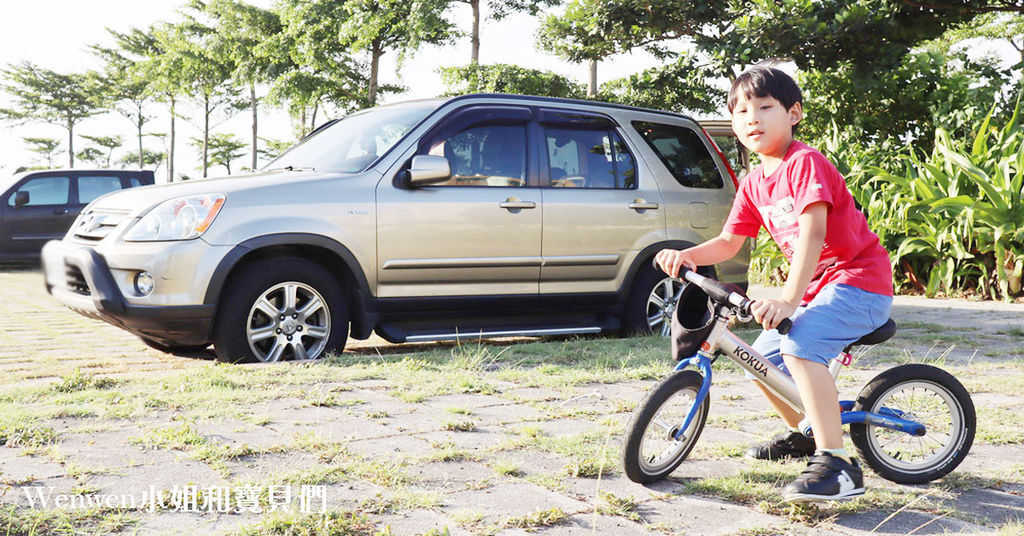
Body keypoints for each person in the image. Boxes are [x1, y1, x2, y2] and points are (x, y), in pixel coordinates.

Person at [655, 65, 893, 502]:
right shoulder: (753, 183)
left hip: (860, 282)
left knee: (799, 345)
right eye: (741, 111)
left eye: (765, 107)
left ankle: (839, 464)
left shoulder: (805, 163)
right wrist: (686, 254)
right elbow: (729, 242)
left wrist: (787, 299)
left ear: (794, 113)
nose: (752, 119)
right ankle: (804, 433)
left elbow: (812, 234)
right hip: (821, 287)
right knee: (757, 354)